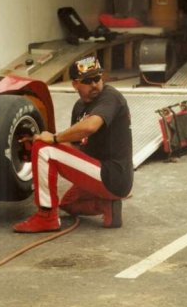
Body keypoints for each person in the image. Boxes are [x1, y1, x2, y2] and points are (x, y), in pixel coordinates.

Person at [13, 55, 133, 233]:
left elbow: (91, 126)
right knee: (68, 204)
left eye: (97, 78)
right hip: (98, 171)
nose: (94, 84)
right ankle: (106, 205)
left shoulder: (110, 96)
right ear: (75, 84)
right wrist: (40, 142)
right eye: (87, 80)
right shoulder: (79, 107)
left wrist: (52, 141)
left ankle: (47, 217)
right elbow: (76, 147)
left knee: (44, 150)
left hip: (112, 175)